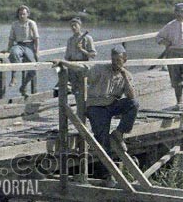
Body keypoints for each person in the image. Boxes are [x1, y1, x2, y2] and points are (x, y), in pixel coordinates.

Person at [53, 45, 138, 186]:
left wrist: (124, 76)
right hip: (96, 107)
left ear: (125, 60)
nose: (115, 63)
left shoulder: (127, 75)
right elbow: (81, 68)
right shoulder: (100, 69)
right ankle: (108, 175)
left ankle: (119, 132)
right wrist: (63, 62)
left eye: (118, 60)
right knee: (102, 139)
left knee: (133, 104)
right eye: (113, 59)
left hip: (112, 104)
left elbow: (131, 96)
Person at [4, 5, 39, 97]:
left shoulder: (31, 23)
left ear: (27, 14)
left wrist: (36, 51)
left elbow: (36, 38)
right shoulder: (15, 24)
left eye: (24, 14)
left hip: (29, 45)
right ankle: (14, 77)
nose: (22, 16)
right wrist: (8, 49)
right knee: (13, 53)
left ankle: (23, 86)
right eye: (20, 14)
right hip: (19, 45)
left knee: (33, 69)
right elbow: (11, 38)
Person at [64, 17, 96, 98]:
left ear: (80, 26)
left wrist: (81, 49)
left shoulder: (87, 38)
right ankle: (78, 105)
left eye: (75, 25)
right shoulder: (70, 40)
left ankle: (84, 106)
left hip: (83, 65)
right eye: (72, 26)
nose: (73, 27)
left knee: (84, 88)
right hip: (72, 66)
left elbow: (93, 55)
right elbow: (67, 57)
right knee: (74, 89)